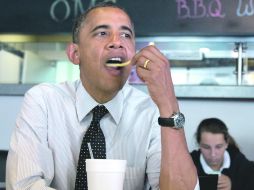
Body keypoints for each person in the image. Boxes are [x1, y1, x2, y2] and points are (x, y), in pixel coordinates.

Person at [6, 2, 198, 190]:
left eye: (126, 35)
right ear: (75, 53)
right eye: (102, 33)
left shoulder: (152, 112)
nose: (117, 42)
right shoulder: (43, 101)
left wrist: (168, 103)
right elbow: (24, 185)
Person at [191, 117, 254, 190]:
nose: (213, 154)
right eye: (206, 147)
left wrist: (233, 185)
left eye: (218, 147)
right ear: (199, 144)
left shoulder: (243, 166)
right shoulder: (188, 164)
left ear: (226, 143)